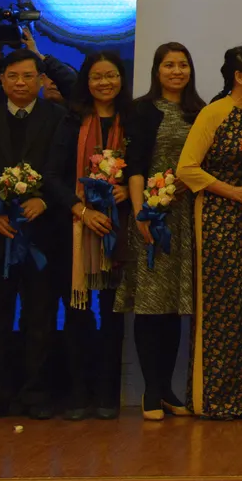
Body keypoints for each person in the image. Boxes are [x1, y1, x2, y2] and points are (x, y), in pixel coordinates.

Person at [0, 47, 70, 421]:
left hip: (42, 237)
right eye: (13, 77)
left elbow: (68, 173)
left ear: (41, 80)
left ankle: (36, 394)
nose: (20, 83)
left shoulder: (59, 119)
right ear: (3, 81)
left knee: (39, 320)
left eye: (28, 76)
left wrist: (47, 203)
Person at [176, 44, 242, 420]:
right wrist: (233, 191)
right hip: (217, 221)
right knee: (220, 310)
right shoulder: (212, 114)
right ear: (239, 76)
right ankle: (213, 398)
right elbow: (186, 169)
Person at [47, 51, 149, 420]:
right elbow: (53, 177)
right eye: (96, 76)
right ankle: (78, 394)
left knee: (112, 315)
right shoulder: (71, 120)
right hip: (76, 231)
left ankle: (108, 395)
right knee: (77, 314)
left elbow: (144, 167)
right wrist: (83, 211)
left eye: (111, 76)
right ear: (86, 82)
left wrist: (126, 190)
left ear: (121, 79)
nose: (104, 83)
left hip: (120, 231)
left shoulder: (134, 119)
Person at [116, 42, 205, 420]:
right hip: (151, 216)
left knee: (174, 308)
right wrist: (140, 213)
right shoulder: (141, 110)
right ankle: (151, 391)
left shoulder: (200, 112)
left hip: (187, 217)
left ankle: (169, 389)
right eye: (168, 65)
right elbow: (134, 166)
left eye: (183, 64)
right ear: (156, 70)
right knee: (151, 306)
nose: (176, 71)